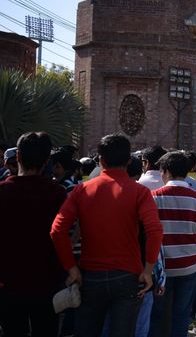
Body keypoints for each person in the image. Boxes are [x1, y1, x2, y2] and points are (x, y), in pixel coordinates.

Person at [51, 134, 163, 337]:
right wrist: (148, 269)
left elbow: (57, 230)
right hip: (127, 275)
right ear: (129, 161)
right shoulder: (139, 192)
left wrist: (71, 268)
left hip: (90, 275)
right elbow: (155, 230)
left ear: (101, 160)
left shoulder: (81, 190)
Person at [0, 132, 67, 336]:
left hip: (8, 281)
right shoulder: (57, 193)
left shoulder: (2, 192)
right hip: (47, 281)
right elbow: (63, 234)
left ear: (18, 157)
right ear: (47, 161)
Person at [149, 152, 196, 337]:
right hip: (189, 265)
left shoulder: (153, 197)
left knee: (157, 314)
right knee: (182, 315)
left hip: (161, 269)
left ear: (166, 171)